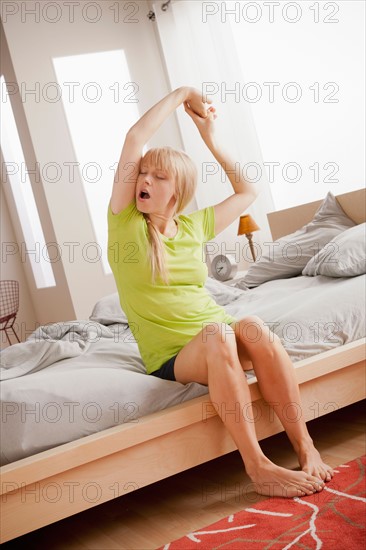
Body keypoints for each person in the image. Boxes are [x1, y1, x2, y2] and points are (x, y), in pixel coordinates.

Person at [107, 86, 334, 498]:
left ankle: (306, 446)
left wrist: (210, 136)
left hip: (218, 335)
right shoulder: (126, 223)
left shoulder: (193, 227)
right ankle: (258, 465)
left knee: (253, 326)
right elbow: (134, 139)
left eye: (159, 176)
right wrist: (180, 96)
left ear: (176, 192)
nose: (144, 179)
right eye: (143, 173)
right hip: (174, 354)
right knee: (219, 334)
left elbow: (248, 192)